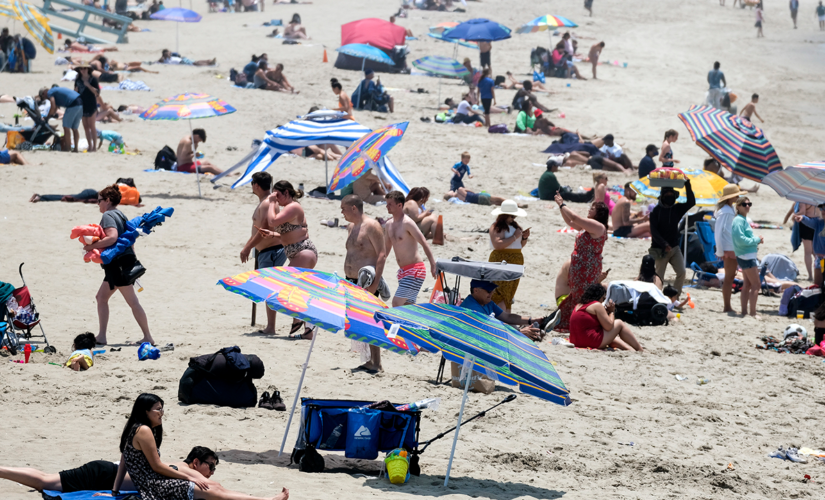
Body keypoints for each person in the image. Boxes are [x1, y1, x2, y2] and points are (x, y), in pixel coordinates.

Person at [114, 394, 289, 500]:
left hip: (153, 482)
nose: (162, 413)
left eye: (162, 409)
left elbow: (124, 459)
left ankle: (264, 498)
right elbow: (157, 466)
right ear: (145, 411)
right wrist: (188, 478)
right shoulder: (143, 430)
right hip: (154, 486)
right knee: (211, 491)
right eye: (157, 409)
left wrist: (115, 490)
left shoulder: (135, 429)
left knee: (215, 488)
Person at [87, 185, 154, 346]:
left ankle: (148, 337)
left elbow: (112, 238)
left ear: (108, 200)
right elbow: (129, 239)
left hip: (117, 266)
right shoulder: (120, 214)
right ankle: (102, 335)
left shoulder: (109, 215)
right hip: (121, 265)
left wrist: (90, 247)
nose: (98, 204)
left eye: (99, 200)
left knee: (132, 302)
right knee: (101, 298)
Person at [258, 181, 317, 338]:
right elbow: (292, 234)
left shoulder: (293, 207)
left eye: (277, 195)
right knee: (300, 289)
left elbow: (272, 221)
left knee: (286, 285)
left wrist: (270, 202)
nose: (276, 199)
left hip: (304, 252)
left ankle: (298, 319)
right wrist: (272, 235)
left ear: (286, 193)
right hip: (298, 252)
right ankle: (308, 330)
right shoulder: (289, 209)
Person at [341, 194, 388, 373]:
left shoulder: (372, 226)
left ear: (354, 208)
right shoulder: (351, 227)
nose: (341, 212)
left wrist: (375, 284)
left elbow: (382, 255)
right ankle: (368, 360)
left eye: (343, 208)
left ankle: (376, 362)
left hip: (367, 281)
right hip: (351, 281)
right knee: (359, 320)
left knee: (371, 319)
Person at [553, 196, 610, 332]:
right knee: (577, 294)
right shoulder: (589, 226)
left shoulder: (598, 226)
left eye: (593, 209)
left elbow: (575, 217)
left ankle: (582, 322)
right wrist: (560, 207)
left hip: (587, 268)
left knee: (583, 295)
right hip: (580, 267)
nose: (589, 210)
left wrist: (562, 203)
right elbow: (570, 221)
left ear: (599, 214)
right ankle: (576, 322)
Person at [240, 172, 285, 335]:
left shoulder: (267, 203)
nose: (251, 185)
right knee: (267, 287)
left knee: (270, 288)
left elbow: (263, 230)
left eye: (252, 182)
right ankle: (270, 326)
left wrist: (247, 248)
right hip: (265, 250)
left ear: (257, 185)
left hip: (271, 250)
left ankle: (271, 327)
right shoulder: (266, 202)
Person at [383, 190, 437, 307]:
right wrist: (378, 264)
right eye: (387, 204)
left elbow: (424, 243)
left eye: (390, 204)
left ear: (399, 205)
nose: (387, 206)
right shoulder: (388, 224)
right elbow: (387, 248)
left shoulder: (408, 223)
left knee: (396, 303)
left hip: (415, 270)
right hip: (403, 271)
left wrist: (433, 264)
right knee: (407, 307)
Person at [460, 280, 549, 341]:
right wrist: (519, 333)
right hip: (470, 346)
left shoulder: (486, 302)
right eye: (489, 291)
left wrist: (532, 320)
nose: (492, 293)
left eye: (493, 290)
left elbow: (507, 316)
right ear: (476, 290)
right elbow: (489, 331)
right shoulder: (472, 308)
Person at [648, 181, 695, 295]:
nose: (670, 197)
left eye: (672, 194)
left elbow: (691, 202)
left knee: (682, 272)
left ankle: (675, 298)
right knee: (659, 277)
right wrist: (664, 244)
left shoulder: (677, 209)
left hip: (674, 248)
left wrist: (687, 185)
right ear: (662, 196)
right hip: (660, 250)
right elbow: (654, 232)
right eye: (667, 194)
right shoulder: (655, 212)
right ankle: (657, 298)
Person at [569, 283, 643, 351]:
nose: (603, 301)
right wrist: (611, 311)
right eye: (603, 299)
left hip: (575, 341)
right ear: (599, 296)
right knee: (619, 323)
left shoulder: (579, 305)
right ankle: (640, 349)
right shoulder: (597, 305)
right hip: (589, 341)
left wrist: (605, 312)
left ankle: (630, 349)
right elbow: (609, 326)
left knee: (612, 337)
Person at [488, 201, 529, 313]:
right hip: (501, 259)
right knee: (499, 289)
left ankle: (506, 314)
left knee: (510, 291)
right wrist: (515, 237)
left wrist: (524, 238)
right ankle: (501, 315)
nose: (514, 218)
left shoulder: (515, 226)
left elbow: (518, 246)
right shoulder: (496, 226)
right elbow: (497, 244)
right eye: (512, 216)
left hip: (516, 259)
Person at [715, 184, 746, 312]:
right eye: (736, 195)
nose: (738, 196)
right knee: (729, 277)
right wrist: (720, 250)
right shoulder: (726, 212)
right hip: (729, 248)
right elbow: (718, 232)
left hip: (731, 246)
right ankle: (727, 306)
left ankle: (727, 306)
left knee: (731, 276)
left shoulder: (729, 210)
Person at [732, 196, 763, 318]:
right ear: (738, 206)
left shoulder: (741, 219)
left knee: (747, 284)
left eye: (749, 204)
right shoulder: (739, 220)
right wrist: (756, 240)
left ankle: (745, 311)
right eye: (745, 204)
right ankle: (753, 313)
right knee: (756, 284)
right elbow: (740, 240)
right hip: (746, 256)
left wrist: (756, 241)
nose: (748, 206)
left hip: (744, 255)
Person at [39, 85, 82, 152]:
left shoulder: (50, 92)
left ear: (44, 93)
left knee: (66, 127)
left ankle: (67, 148)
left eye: (43, 97)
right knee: (74, 128)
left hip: (72, 104)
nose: (47, 99)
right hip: (80, 103)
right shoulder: (56, 91)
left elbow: (53, 106)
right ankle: (76, 149)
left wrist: (47, 117)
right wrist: (50, 115)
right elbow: (55, 107)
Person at [794, 204, 825, 287]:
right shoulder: (819, 222)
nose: (823, 211)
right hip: (819, 258)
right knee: (817, 286)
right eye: (822, 208)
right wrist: (803, 218)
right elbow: (810, 222)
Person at [785, 201, 815, 281]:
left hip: (807, 224)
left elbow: (803, 212)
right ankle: (821, 273)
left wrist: (794, 215)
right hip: (817, 223)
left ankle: (810, 276)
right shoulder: (818, 196)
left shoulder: (803, 198)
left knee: (808, 252)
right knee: (817, 252)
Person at [74, 66, 100, 152]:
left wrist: (88, 85)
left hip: (91, 105)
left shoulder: (93, 79)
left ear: (88, 69)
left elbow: (97, 93)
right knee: (85, 127)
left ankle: (94, 147)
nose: (83, 70)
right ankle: (90, 145)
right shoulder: (78, 80)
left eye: (85, 68)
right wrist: (75, 91)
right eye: (81, 69)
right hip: (82, 105)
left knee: (92, 126)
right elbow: (75, 93)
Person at [443, 186, 525, 207]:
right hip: (478, 196)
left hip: (477, 202)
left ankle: (512, 205)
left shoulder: (459, 199)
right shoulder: (459, 189)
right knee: (499, 198)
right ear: (450, 194)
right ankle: (515, 204)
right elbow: (470, 191)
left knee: (496, 203)